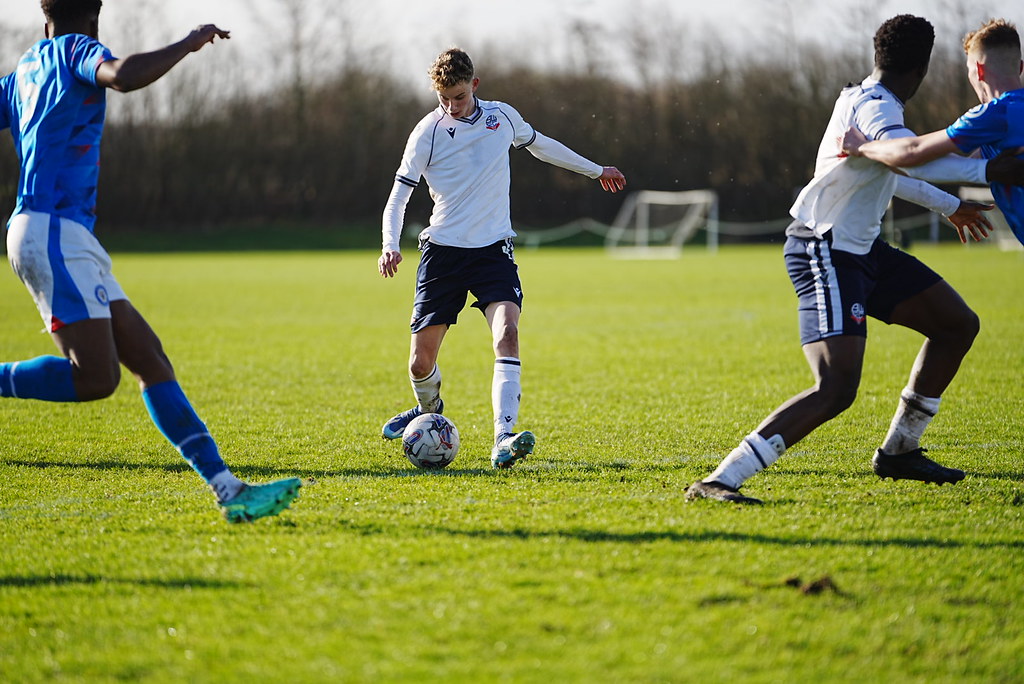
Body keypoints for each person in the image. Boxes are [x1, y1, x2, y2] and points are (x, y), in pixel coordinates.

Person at [686, 15, 1024, 504]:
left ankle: (899, 452)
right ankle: (721, 479)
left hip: (862, 249)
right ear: (923, 67)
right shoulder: (875, 106)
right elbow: (902, 153)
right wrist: (985, 167)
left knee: (956, 325)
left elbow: (891, 169)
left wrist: (952, 206)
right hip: (823, 246)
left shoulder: (862, 98)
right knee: (837, 387)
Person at [0, 0, 300, 522]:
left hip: (61, 234)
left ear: (42, 20)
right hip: (52, 230)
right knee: (96, 378)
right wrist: (186, 43)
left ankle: (229, 490)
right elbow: (119, 75)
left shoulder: (23, 70)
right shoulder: (76, 51)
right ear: (94, 20)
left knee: (149, 357)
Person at [378, 47, 626, 469]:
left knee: (507, 332)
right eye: (443, 98)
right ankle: (426, 410)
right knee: (421, 362)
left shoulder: (502, 118)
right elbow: (400, 192)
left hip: (494, 251)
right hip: (443, 255)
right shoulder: (427, 132)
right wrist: (390, 242)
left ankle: (503, 438)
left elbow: (543, 146)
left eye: (458, 96)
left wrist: (596, 170)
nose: (451, 106)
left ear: (474, 85)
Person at [842, 19, 1024, 246]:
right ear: (1020, 67)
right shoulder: (1001, 130)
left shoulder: (994, 115)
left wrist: (862, 147)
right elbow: (956, 164)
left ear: (978, 70)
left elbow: (912, 152)